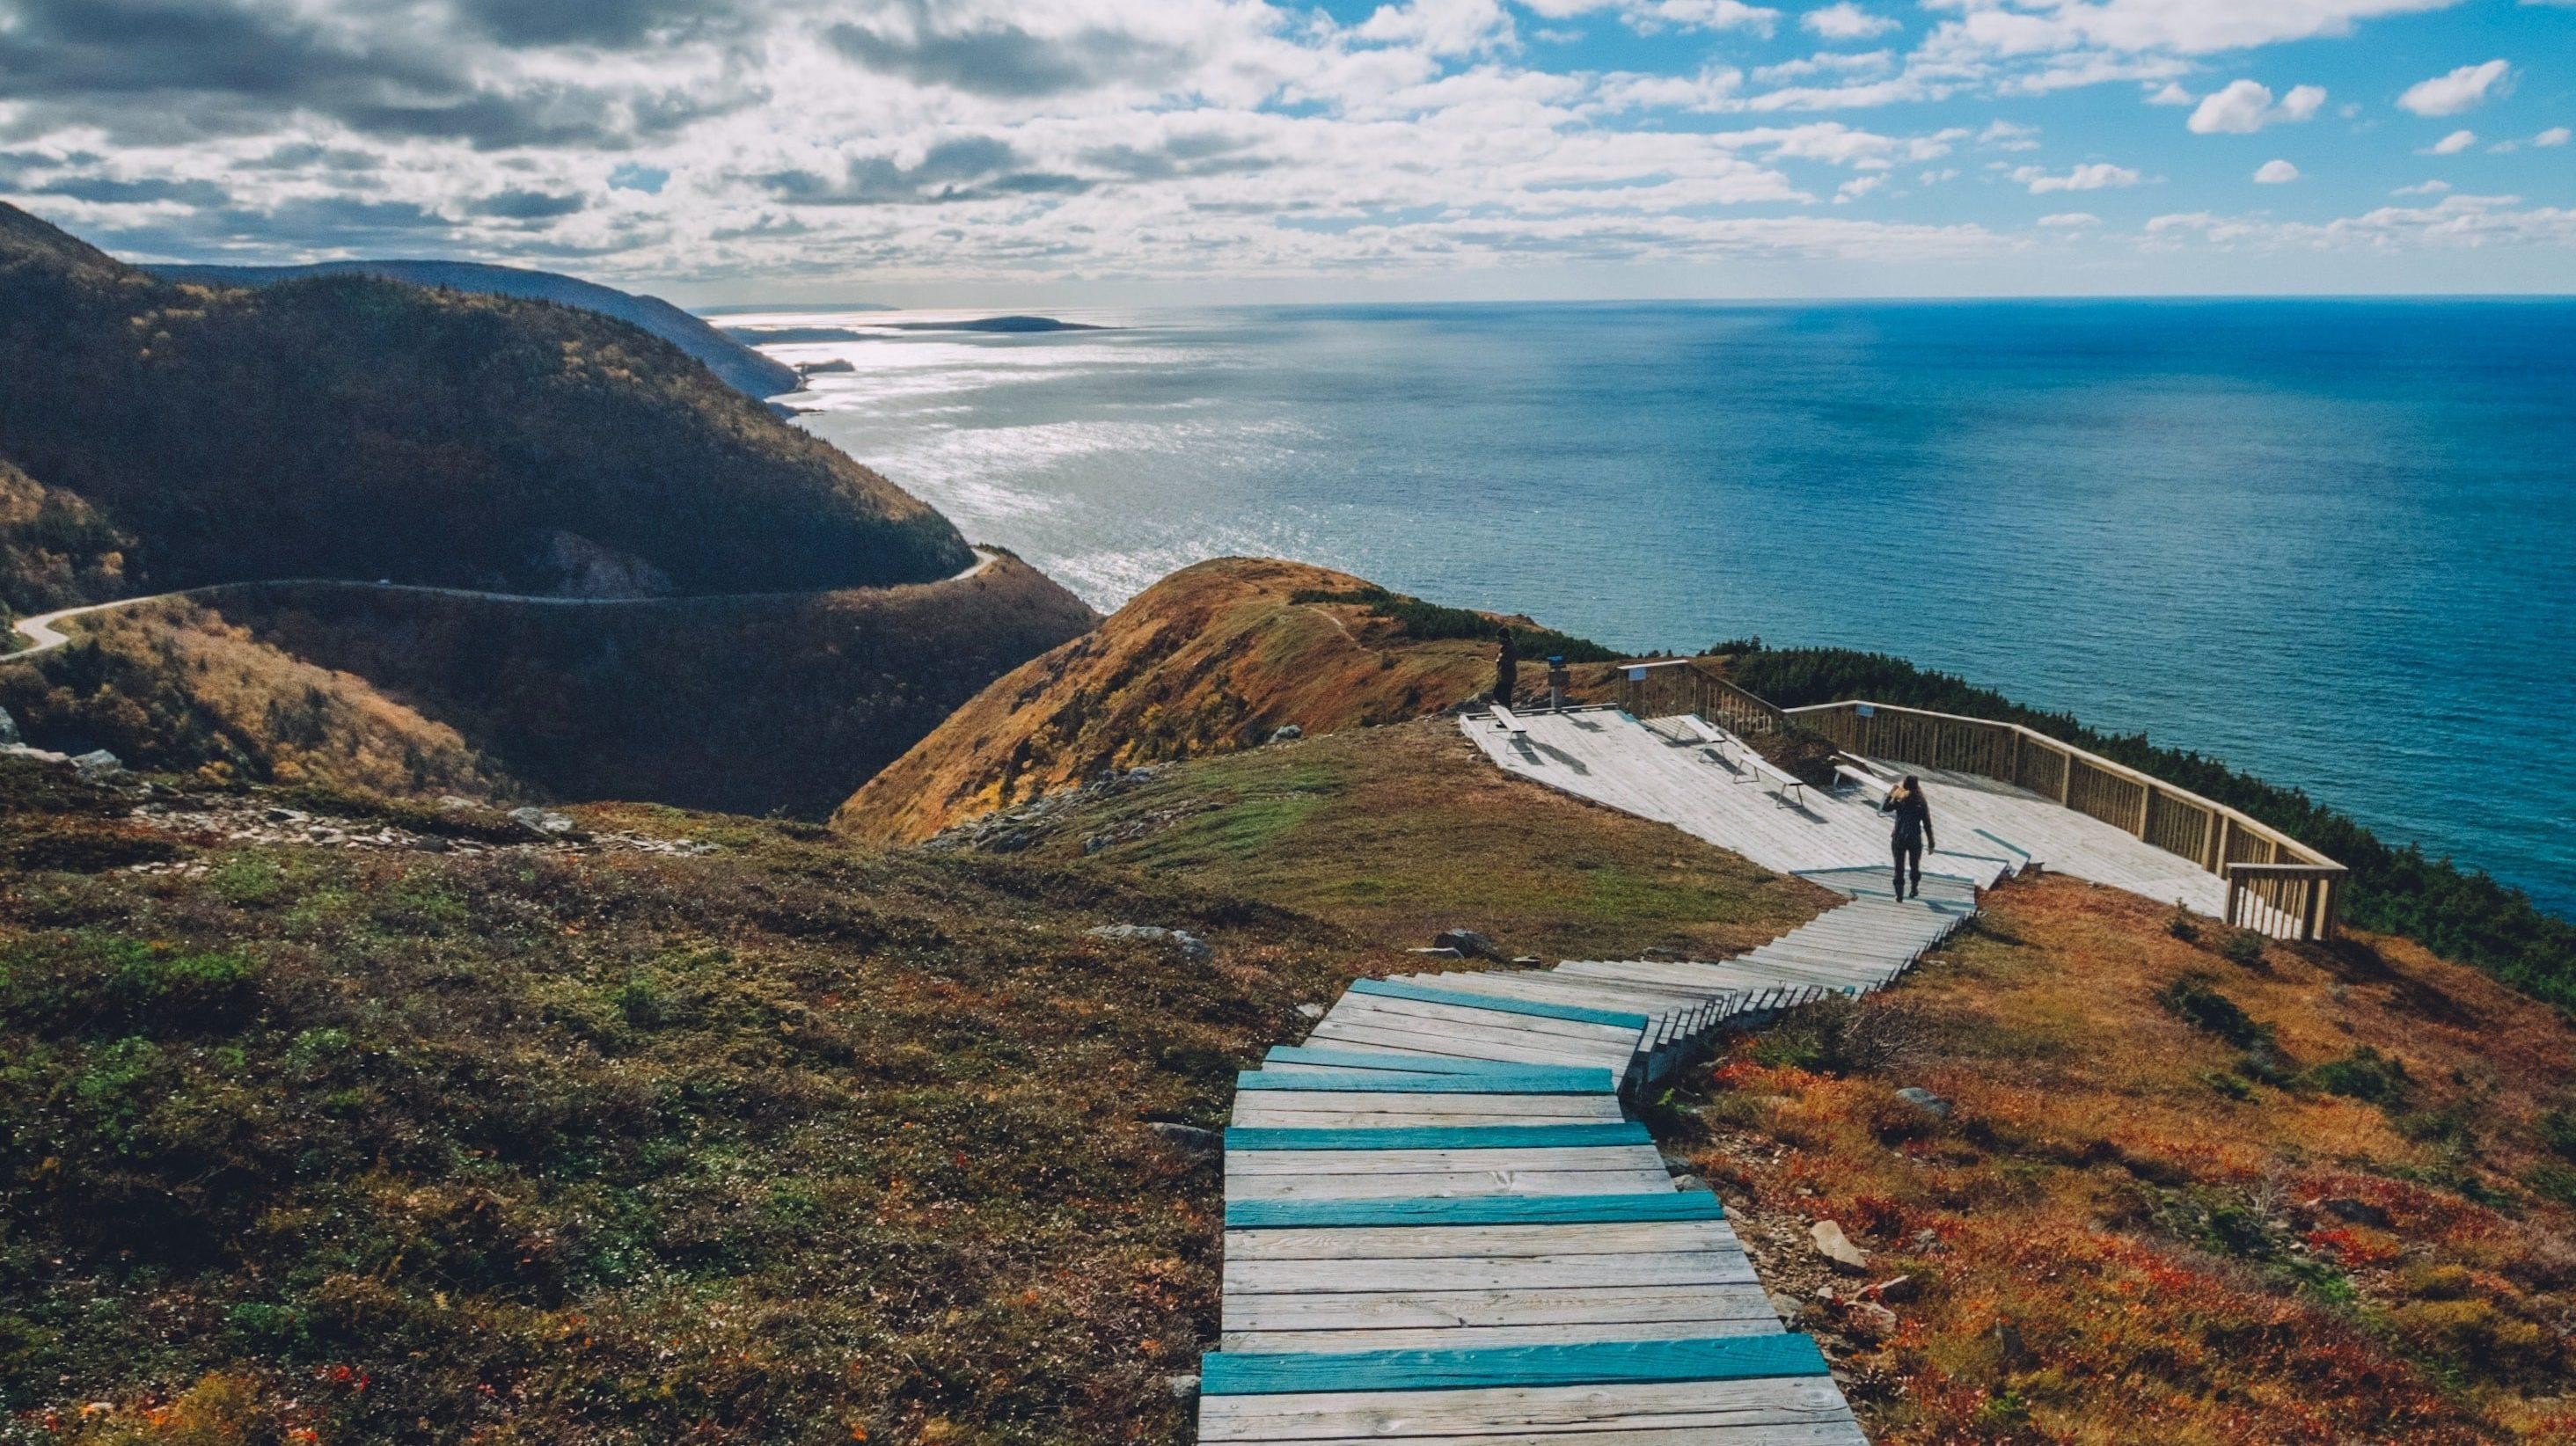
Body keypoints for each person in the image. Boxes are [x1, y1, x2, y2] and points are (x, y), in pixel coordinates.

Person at [1880, 774, 1935, 900]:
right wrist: (1931, 843)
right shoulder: (1921, 801)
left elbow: (1885, 808)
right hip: (1914, 837)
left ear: (1904, 785)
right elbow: (1927, 824)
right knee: (1914, 865)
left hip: (1899, 836)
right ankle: (1914, 889)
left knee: (1899, 867)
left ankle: (1899, 895)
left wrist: (1891, 793)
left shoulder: (1900, 798)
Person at [1494, 626, 1519, 706]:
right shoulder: (1505, 645)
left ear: (1504, 638)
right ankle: (1504, 710)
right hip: (1504, 675)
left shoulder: (1510, 647)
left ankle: (1506, 712)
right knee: (1500, 695)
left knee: (1504, 696)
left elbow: (1511, 661)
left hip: (1508, 676)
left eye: (1499, 638)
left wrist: (1501, 660)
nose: (1498, 640)